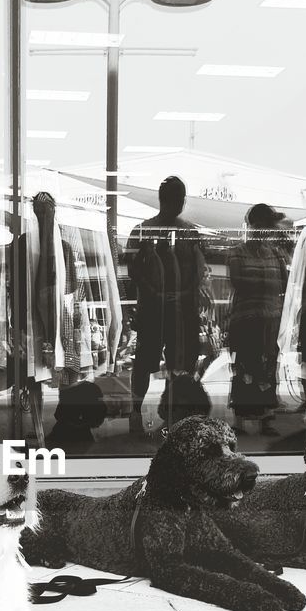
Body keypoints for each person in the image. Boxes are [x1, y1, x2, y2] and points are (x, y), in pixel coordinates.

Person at [124, 176, 213, 437]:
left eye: (178, 199)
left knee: (177, 365)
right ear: (167, 200)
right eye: (174, 199)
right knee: (146, 363)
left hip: (177, 310)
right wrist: (154, 293)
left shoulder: (188, 232)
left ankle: (168, 416)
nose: (177, 204)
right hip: (157, 309)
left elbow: (198, 272)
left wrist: (182, 294)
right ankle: (137, 413)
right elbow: (133, 271)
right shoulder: (145, 230)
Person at [226, 203, 288, 436]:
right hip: (246, 320)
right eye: (263, 226)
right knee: (245, 367)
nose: (266, 231)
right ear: (252, 226)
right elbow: (239, 281)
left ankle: (265, 418)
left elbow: (283, 282)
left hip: (269, 320)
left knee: (267, 367)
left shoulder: (275, 253)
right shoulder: (237, 252)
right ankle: (241, 419)